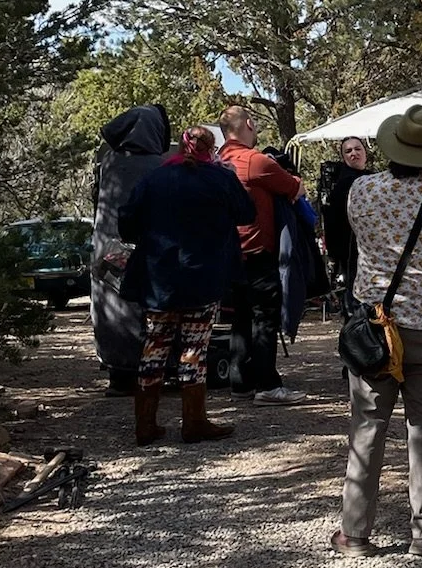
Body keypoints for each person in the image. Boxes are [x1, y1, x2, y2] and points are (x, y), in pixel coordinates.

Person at [335, 103, 422, 558]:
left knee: (367, 426)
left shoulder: (362, 191)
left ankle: (355, 532)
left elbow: (357, 236)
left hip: (375, 325)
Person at [118, 126, 257, 445]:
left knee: (155, 345)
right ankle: (193, 422)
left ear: (181, 146)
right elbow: (247, 213)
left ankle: (145, 425)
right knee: (195, 347)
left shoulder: (155, 179)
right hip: (203, 276)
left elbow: (127, 223)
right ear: (212, 149)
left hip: (158, 278)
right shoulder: (221, 178)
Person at [217, 103, 306, 403]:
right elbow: (295, 188)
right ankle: (267, 384)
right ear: (250, 125)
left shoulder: (217, 162)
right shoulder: (256, 161)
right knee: (265, 318)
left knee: (240, 318)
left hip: (229, 256)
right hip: (258, 252)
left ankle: (240, 381)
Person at [90, 104, 172, 394]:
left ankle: (117, 375)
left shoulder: (109, 161)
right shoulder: (156, 166)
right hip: (145, 251)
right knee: (146, 312)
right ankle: (149, 373)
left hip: (105, 250)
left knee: (111, 312)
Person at [321, 137, 369, 290]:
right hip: (351, 252)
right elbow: (332, 221)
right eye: (348, 151)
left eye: (357, 149)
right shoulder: (343, 183)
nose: (353, 153)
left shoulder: (372, 177)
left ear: (365, 153)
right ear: (343, 157)